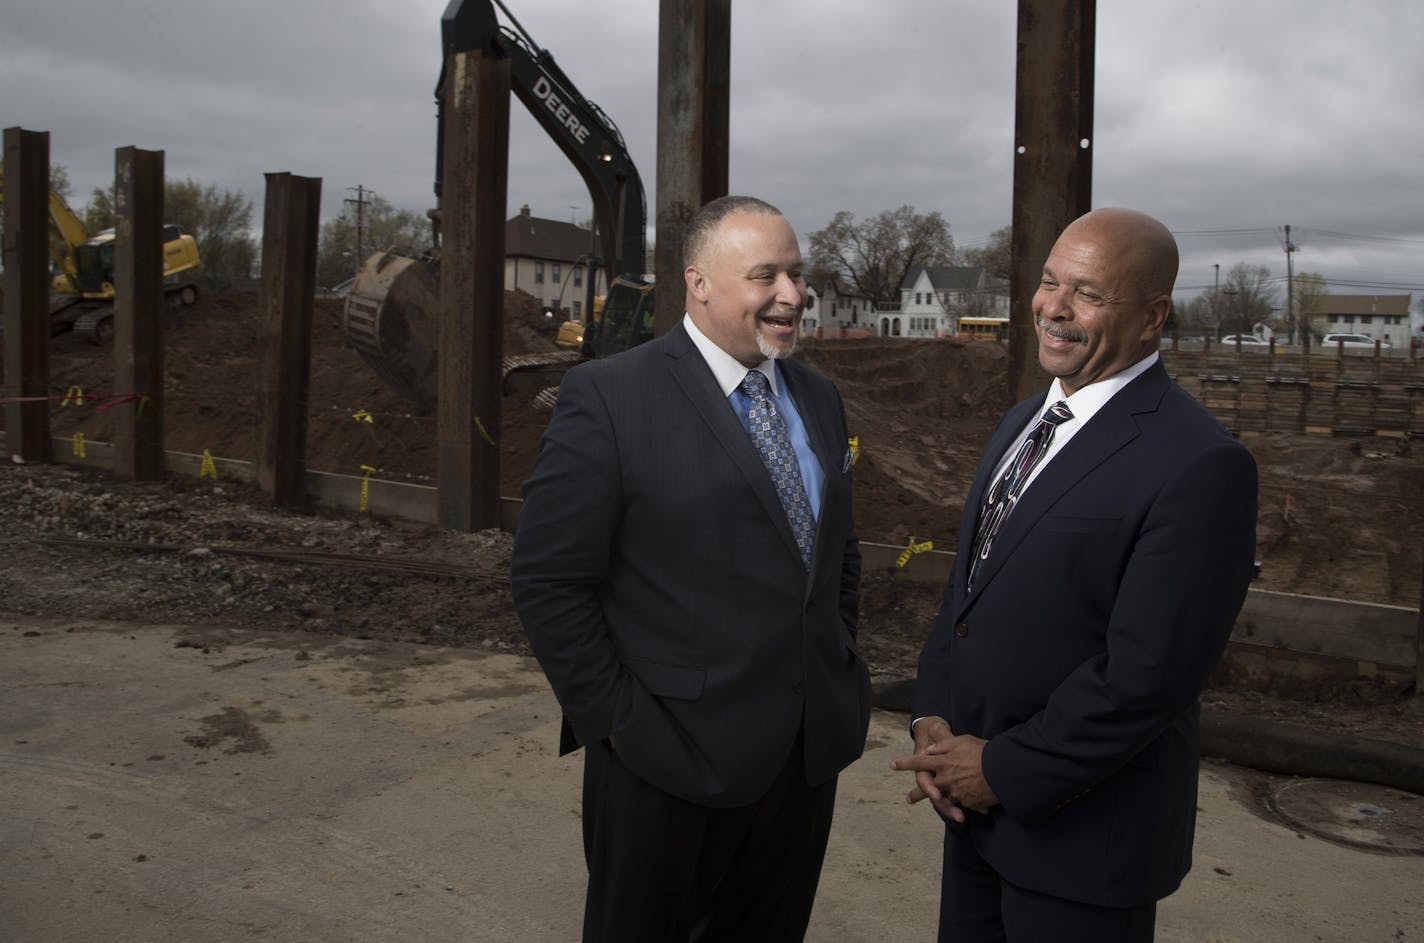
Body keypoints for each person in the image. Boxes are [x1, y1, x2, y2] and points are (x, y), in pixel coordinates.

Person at [510, 195, 870, 942]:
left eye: (797, 276)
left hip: (802, 765)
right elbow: (549, 579)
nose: (792, 296)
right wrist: (621, 725)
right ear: (699, 283)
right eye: (765, 275)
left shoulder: (820, 398)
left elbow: (836, 554)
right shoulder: (609, 397)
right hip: (665, 765)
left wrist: (839, 666)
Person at [893, 207, 1258, 942]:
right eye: (1050, 280)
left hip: (1083, 842)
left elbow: (1149, 673)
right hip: (971, 813)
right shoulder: (1023, 421)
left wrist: (1004, 768)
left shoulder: (1200, 462)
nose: (1053, 307)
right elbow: (968, 591)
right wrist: (933, 718)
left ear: (1152, 317)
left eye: (1087, 293)